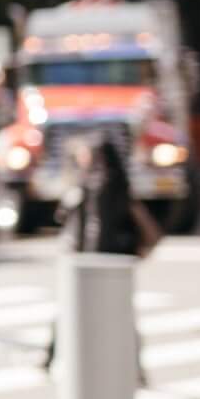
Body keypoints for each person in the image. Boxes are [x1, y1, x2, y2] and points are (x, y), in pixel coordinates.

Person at [42, 135, 161, 374]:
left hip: (88, 264)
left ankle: (56, 360)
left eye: (85, 155)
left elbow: (72, 224)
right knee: (121, 318)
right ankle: (134, 368)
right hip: (113, 265)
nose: (82, 160)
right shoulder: (119, 189)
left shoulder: (91, 188)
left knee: (71, 312)